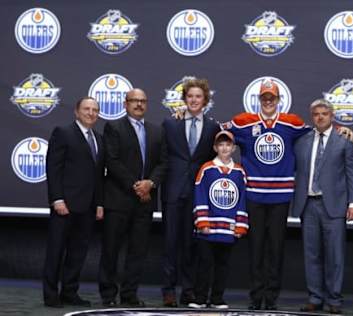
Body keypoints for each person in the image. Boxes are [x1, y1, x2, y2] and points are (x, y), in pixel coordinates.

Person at [226, 79, 310, 310]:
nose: (268, 100)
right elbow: (217, 130)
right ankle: (256, 296)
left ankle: (271, 296)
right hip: (254, 195)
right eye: (265, 96)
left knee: (276, 248)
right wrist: (184, 115)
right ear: (259, 99)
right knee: (256, 248)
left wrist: (343, 130)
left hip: (280, 197)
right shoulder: (245, 122)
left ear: (278, 99)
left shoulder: (291, 123)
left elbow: (315, 135)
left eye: (272, 96)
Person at [98, 88, 168, 307]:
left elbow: (163, 163)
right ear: (125, 103)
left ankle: (129, 295)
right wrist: (136, 185)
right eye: (134, 101)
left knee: (138, 252)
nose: (139, 104)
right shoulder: (114, 127)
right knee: (111, 250)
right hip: (119, 200)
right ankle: (109, 295)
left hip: (145, 203)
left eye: (143, 101)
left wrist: (150, 183)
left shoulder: (157, 131)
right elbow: (112, 160)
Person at [292, 99, 353, 315]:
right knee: (312, 254)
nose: (320, 117)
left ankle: (334, 299)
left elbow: (352, 174)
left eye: (324, 113)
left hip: (335, 205)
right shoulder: (303, 141)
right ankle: (315, 297)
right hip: (308, 204)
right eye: (316, 114)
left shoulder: (344, 141)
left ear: (332, 115)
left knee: (335, 256)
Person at [161, 78, 220, 307]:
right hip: (173, 192)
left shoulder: (213, 127)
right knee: (170, 244)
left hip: (197, 195)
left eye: (198, 96)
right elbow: (164, 159)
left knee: (191, 245)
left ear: (205, 101)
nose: (194, 100)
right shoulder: (170, 124)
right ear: (184, 99)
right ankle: (168, 290)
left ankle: (188, 290)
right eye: (190, 96)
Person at [43, 96, 104, 308]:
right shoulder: (63, 132)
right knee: (56, 251)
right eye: (87, 109)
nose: (91, 113)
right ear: (76, 112)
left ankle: (69, 293)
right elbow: (53, 168)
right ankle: (51, 295)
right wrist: (57, 198)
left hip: (87, 208)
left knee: (78, 253)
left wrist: (99, 204)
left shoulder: (98, 138)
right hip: (65, 205)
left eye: (95, 110)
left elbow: (98, 176)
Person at [188, 130, 248, 309]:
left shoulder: (239, 172)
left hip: (228, 228)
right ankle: (200, 297)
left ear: (233, 147)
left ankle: (217, 298)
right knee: (204, 264)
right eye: (221, 145)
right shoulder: (207, 169)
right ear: (215, 147)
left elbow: (242, 199)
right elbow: (200, 195)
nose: (224, 148)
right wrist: (203, 222)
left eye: (228, 145)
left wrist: (240, 225)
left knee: (222, 265)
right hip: (209, 228)